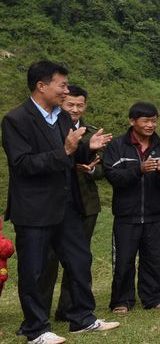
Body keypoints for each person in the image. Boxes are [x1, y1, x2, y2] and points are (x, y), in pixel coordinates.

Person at [1, 60, 117, 344]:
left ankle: (82, 318)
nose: (66, 91)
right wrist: (64, 150)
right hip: (34, 207)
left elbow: (71, 157)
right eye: (62, 85)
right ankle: (36, 328)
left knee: (80, 259)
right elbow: (22, 164)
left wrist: (86, 148)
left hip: (66, 204)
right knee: (34, 268)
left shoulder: (62, 118)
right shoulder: (16, 120)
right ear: (42, 86)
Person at [102, 101, 160, 313]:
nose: (150, 125)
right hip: (127, 214)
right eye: (145, 120)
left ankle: (153, 299)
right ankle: (122, 301)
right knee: (124, 260)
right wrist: (139, 169)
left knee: (154, 259)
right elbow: (113, 176)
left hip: (155, 214)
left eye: (154, 120)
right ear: (132, 121)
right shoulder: (118, 146)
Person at [38, 84, 104, 321]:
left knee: (78, 259)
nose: (75, 110)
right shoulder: (49, 130)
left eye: (80, 105)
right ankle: (40, 312)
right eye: (70, 105)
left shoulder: (92, 132)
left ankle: (68, 309)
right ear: (61, 104)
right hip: (55, 202)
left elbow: (103, 168)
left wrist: (91, 171)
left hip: (85, 202)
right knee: (48, 261)